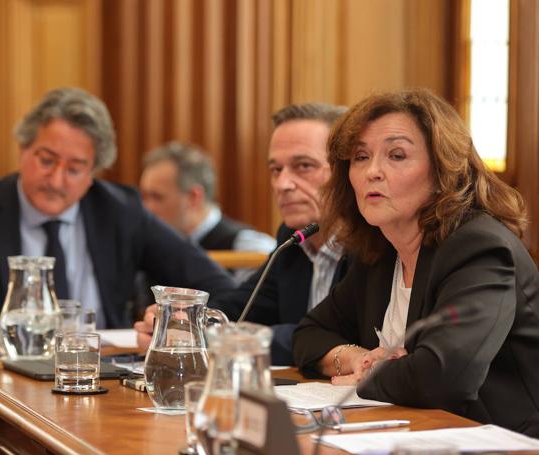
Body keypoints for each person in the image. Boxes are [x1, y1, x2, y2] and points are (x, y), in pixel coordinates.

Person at [0, 87, 235, 383]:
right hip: (6, 381)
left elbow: (212, 284)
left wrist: (177, 322)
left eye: (74, 169)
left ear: (92, 173)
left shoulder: (121, 211)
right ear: (23, 150)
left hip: (105, 378)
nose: (57, 180)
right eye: (47, 160)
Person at [293, 89, 539, 437]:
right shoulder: (380, 251)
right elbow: (308, 334)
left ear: (443, 172)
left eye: (397, 155)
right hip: (417, 434)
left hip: (504, 440)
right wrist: (356, 357)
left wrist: (368, 375)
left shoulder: (479, 248)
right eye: (360, 157)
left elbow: (445, 376)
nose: (372, 172)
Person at [136, 102, 349, 365]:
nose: (282, 184)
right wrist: (184, 321)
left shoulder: (370, 244)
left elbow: (338, 335)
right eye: (275, 169)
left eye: (303, 166)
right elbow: (241, 308)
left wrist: (237, 338)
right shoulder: (292, 239)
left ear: (345, 171)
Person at [140, 141, 276, 281]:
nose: (146, 208)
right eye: (144, 196)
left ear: (194, 197)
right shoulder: (150, 245)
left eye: (157, 197)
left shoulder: (249, 247)